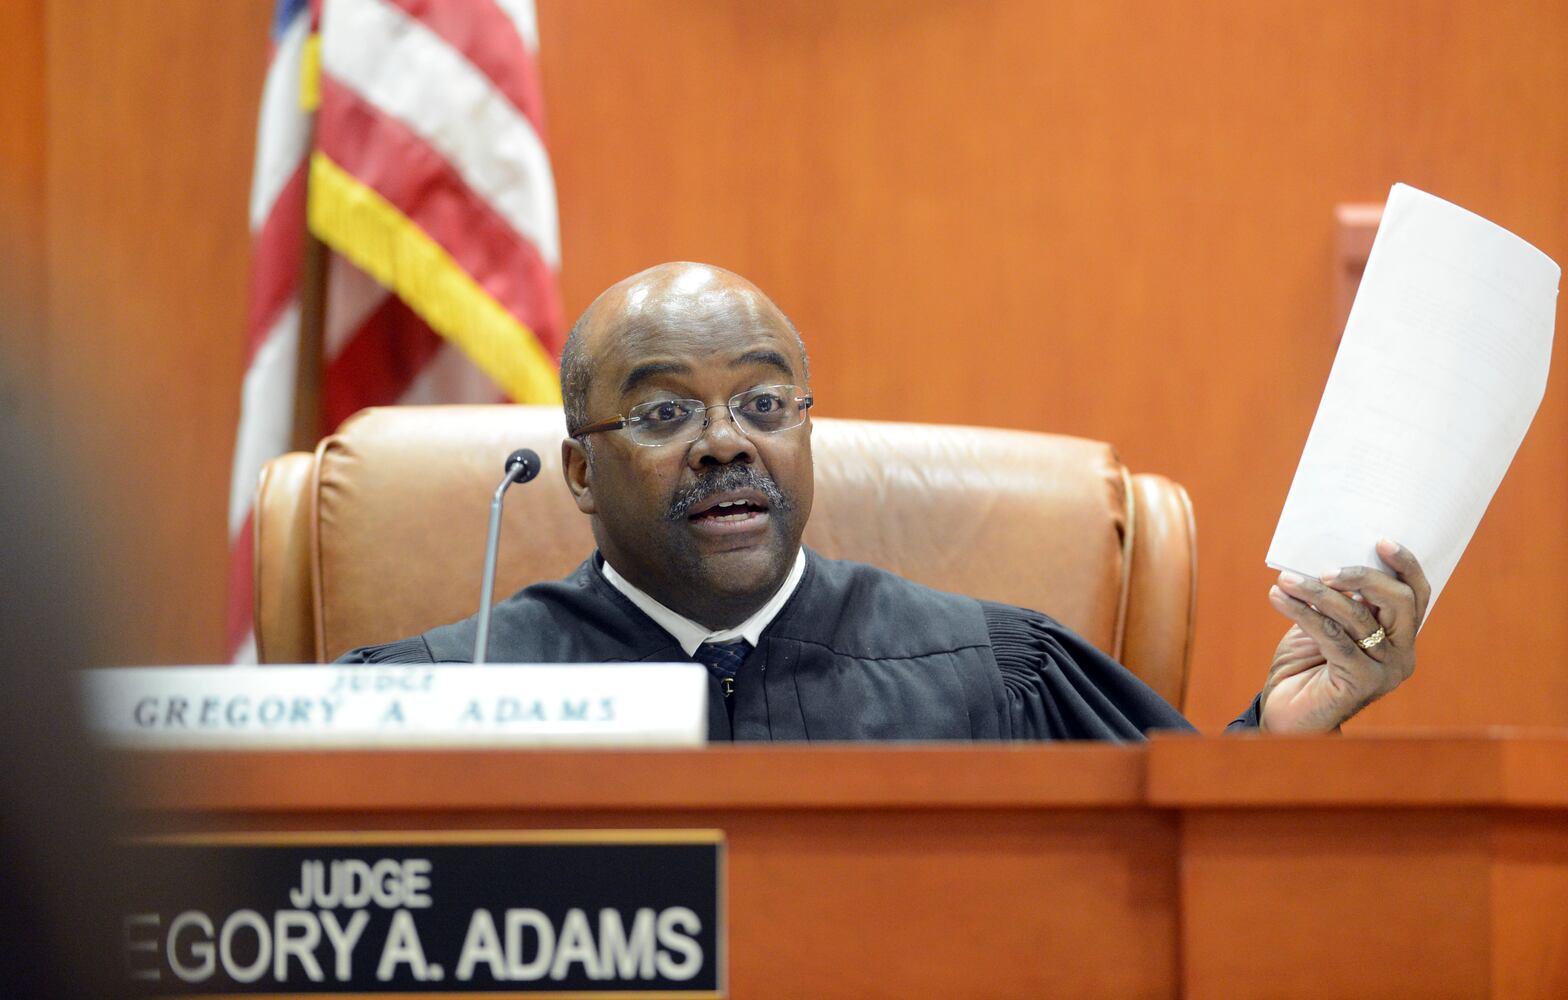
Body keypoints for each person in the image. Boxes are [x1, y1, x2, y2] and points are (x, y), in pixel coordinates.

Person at [342, 262, 1429, 741]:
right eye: (666, 415)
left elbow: (1168, 881)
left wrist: (1283, 731)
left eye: (763, 401)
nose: (726, 443)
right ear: (579, 471)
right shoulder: (450, 695)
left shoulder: (996, 676)